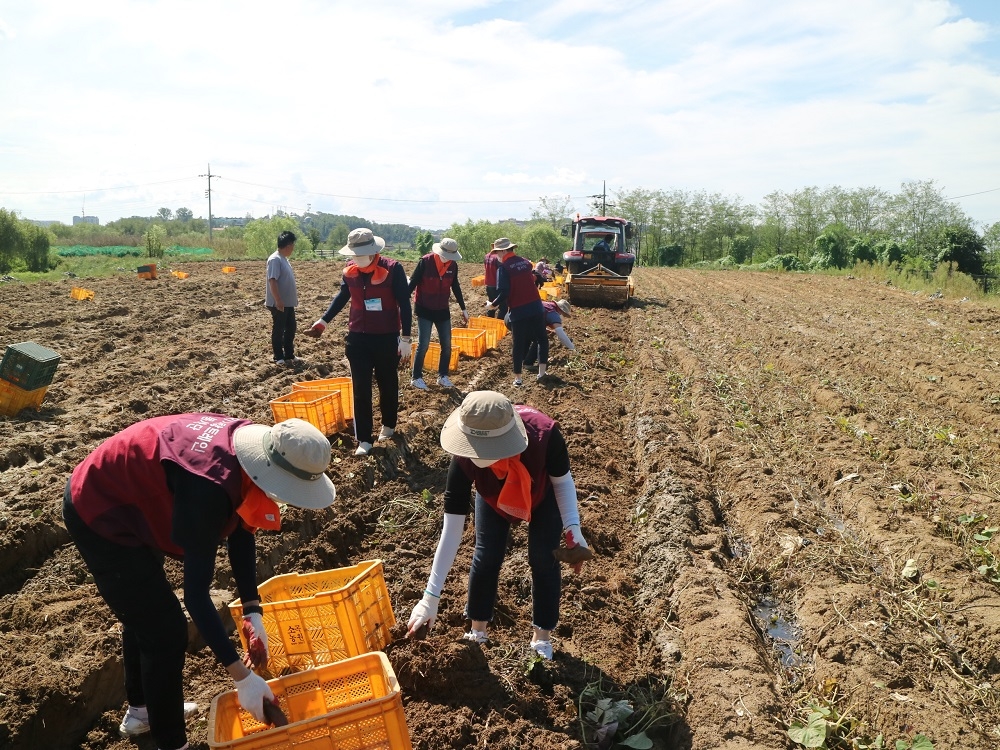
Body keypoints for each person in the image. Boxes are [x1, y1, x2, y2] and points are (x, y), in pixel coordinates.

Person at [62, 415, 337, 750]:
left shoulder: (246, 454)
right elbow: (195, 595)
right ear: (270, 469)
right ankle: (171, 742)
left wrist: (253, 612)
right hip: (100, 506)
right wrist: (242, 677)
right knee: (165, 630)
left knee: (145, 612)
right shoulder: (207, 489)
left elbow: (242, 526)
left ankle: (142, 710)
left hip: (137, 492)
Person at [405, 391, 590, 660]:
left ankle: (542, 637)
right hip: (492, 496)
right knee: (487, 553)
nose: (479, 455)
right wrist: (429, 599)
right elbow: (452, 528)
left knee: (543, 556)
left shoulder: (545, 437)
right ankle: (477, 630)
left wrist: (573, 529)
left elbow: (562, 483)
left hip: (542, 494)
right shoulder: (464, 457)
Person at [305, 228, 413, 456]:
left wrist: (405, 338)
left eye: (362, 254)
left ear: (374, 251)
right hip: (358, 338)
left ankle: (389, 425)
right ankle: (364, 439)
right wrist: (323, 321)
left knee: (388, 384)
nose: (358, 259)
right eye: (355, 255)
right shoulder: (351, 271)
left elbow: (405, 303)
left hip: (386, 338)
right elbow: (343, 296)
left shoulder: (393, 269)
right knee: (361, 389)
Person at [408, 237, 469, 390]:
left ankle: (443, 376)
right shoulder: (425, 262)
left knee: (447, 345)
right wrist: (401, 304)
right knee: (424, 344)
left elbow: (455, 286)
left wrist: (463, 308)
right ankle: (416, 377)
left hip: (442, 308)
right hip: (424, 308)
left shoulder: (453, 266)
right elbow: (413, 282)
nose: (448, 259)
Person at [485, 238, 548, 386]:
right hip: (536, 306)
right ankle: (542, 373)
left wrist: (492, 305)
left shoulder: (503, 268)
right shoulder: (525, 262)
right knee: (542, 339)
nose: (496, 256)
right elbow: (533, 277)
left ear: (504, 251)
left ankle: (518, 379)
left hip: (519, 310)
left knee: (518, 343)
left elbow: (504, 292)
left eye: (497, 252)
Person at [265, 231, 299, 365]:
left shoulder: (283, 259)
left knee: (291, 328)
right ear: (288, 245)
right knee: (279, 329)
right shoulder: (275, 259)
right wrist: (278, 300)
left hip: (287, 303)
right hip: (279, 303)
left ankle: (289, 355)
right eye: (293, 245)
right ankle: (278, 356)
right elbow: (272, 281)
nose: (293, 248)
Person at [524, 299, 575, 368]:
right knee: (541, 340)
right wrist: (572, 347)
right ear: (561, 310)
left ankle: (523, 359)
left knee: (529, 336)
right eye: (563, 314)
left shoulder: (546, 305)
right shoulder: (553, 313)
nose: (562, 316)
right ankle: (529, 363)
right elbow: (561, 335)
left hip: (512, 318)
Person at [483, 242, 501, 318]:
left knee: (491, 303)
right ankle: (500, 322)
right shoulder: (498, 258)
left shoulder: (486, 256)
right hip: (496, 284)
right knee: (502, 305)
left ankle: (490, 318)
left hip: (489, 283)